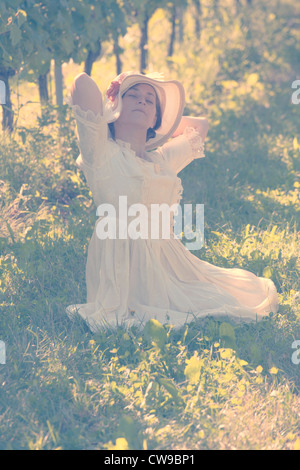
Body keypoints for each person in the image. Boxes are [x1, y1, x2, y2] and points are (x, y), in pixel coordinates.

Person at [65, 70, 279, 332]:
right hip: (121, 259)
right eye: (132, 95)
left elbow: (200, 126)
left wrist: (161, 123)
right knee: (162, 311)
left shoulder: (161, 160)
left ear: (156, 117)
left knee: (219, 297)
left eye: (149, 100)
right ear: (115, 106)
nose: (141, 101)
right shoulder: (100, 151)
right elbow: (80, 83)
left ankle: (147, 107)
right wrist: (118, 88)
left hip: (167, 258)